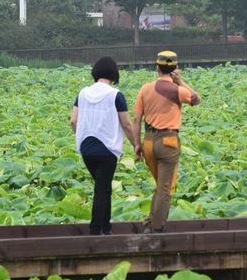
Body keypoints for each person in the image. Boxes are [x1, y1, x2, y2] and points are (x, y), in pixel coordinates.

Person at [133, 50, 200, 233]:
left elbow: (137, 119)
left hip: (148, 142)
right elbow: (196, 99)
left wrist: (136, 144)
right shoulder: (177, 90)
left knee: (160, 186)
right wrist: (181, 81)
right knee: (165, 188)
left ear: (157, 68)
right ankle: (156, 228)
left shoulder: (145, 89)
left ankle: (150, 222)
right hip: (168, 141)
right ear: (175, 68)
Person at [70, 56, 137, 236]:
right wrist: (136, 144)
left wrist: (81, 135)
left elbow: (73, 121)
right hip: (107, 149)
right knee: (102, 188)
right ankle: (95, 230)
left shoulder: (82, 94)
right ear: (114, 74)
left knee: (103, 187)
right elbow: (126, 124)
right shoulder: (115, 95)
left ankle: (106, 228)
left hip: (86, 148)